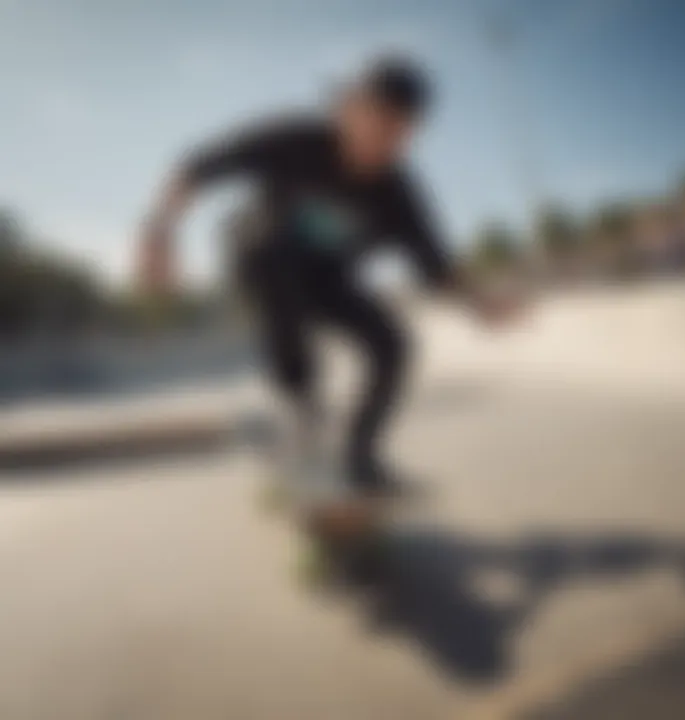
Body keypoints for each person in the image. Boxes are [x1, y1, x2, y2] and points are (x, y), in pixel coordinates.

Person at [139, 55, 524, 497]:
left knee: (393, 348)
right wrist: (158, 232)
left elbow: (436, 268)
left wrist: (482, 306)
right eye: (375, 123)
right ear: (346, 111)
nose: (382, 143)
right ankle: (300, 405)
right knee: (274, 262)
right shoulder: (294, 139)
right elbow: (196, 167)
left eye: (399, 133)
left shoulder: (399, 192)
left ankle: (361, 460)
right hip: (260, 254)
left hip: (327, 278)